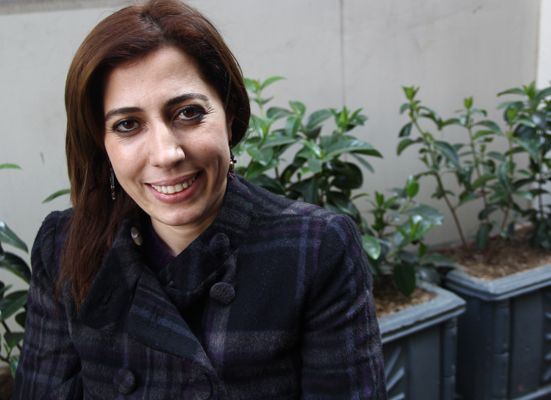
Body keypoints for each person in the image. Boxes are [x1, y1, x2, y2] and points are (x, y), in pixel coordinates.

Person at [14, 0, 387, 398]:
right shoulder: (64, 245)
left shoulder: (313, 249)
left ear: (229, 114)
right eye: (127, 125)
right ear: (101, 144)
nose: (166, 154)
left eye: (188, 113)